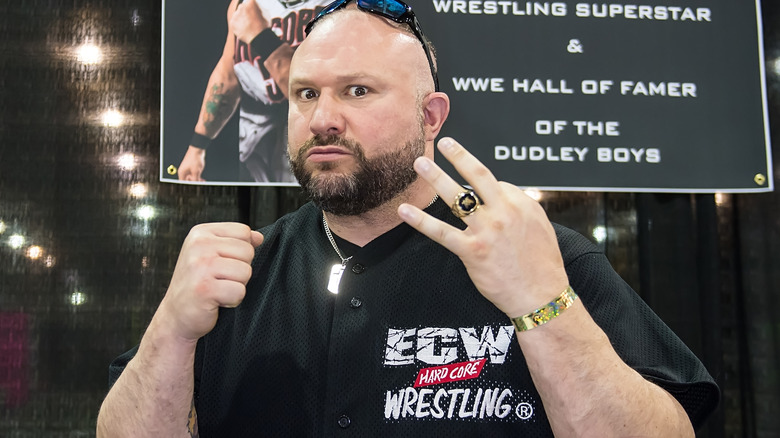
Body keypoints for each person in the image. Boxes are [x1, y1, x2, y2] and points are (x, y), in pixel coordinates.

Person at [98, 0, 719, 436]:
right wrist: (171, 332)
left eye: (357, 91)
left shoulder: (540, 258)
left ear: (431, 117)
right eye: (307, 93)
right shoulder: (240, 277)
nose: (322, 119)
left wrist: (544, 304)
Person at [177, 0, 330, 183]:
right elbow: (228, 76)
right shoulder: (243, 4)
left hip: (311, 145)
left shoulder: (339, 7)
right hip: (254, 150)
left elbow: (317, 95)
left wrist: (260, 36)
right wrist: (197, 147)